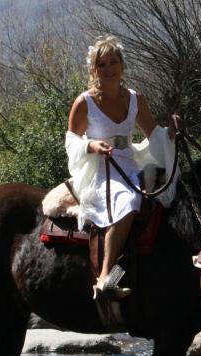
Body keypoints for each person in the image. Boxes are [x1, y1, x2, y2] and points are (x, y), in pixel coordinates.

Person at [66, 35, 160, 299]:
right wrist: (91, 146)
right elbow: (72, 141)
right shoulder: (84, 102)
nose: (108, 69)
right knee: (129, 199)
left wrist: (172, 132)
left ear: (122, 65)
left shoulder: (135, 99)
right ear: (94, 70)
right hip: (99, 167)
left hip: (129, 163)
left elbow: (154, 134)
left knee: (162, 198)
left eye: (113, 62)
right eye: (102, 64)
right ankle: (105, 275)